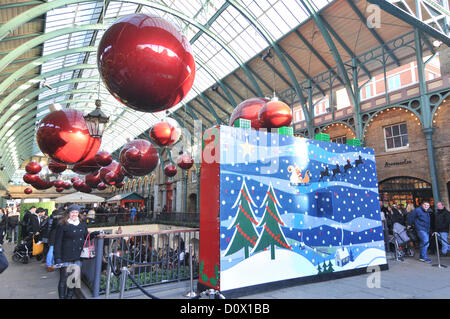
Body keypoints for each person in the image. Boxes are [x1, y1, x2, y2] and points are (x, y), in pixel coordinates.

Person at [54, 204, 99, 299]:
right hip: (65, 255)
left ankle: (69, 297)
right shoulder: (62, 224)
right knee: (63, 280)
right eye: (72, 212)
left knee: (74, 279)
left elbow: (86, 236)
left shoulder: (82, 224)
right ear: (68, 213)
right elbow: (57, 242)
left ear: (79, 213)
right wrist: (57, 257)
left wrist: (94, 234)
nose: (74, 214)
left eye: (76, 212)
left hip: (78, 256)